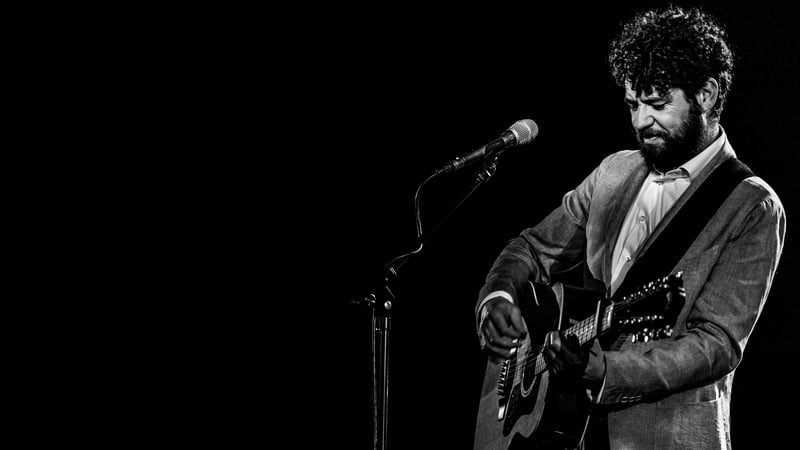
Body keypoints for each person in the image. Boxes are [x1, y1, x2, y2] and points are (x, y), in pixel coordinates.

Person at [474, 6, 786, 449]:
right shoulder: (615, 172)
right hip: (569, 430)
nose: (641, 121)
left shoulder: (752, 205)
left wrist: (606, 372)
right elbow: (530, 248)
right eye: (633, 104)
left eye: (658, 104)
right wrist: (498, 296)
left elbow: (716, 344)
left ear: (707, 95)